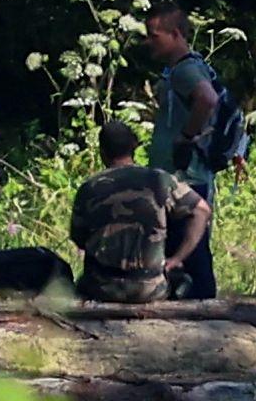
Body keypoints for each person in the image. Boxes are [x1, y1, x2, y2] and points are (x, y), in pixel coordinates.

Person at [69, 119, 213, 302]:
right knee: (183, 279)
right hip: (150, 289)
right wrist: (177, 258)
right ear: (133, 146)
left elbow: (78, 237)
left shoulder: (89, 188)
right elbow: (202, 210)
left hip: (102, 288)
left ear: (102, 152)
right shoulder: (159, 180)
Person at [144, 4, 221, 300]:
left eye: (154, 36)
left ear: (175, 34)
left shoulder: (186, 70)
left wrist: (185, 138)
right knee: (184, 242)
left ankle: (201, 305)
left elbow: (207, 98)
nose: (149, 42)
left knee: (189, 242)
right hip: (182, 174)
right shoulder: (186, 67)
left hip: (184, 175)